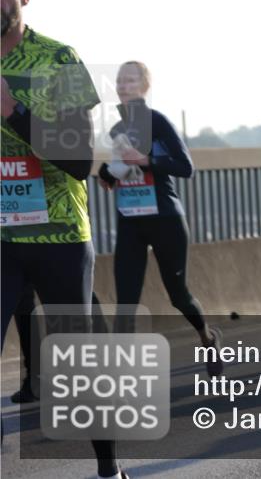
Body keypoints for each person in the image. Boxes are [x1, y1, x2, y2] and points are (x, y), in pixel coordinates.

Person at [1, 0, 128, 477]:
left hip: (59, 237)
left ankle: (109, 469)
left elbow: (78, 161)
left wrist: (13, 110)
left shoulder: (59, 59)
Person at [96, 61, 223, 376]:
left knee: (178, 296)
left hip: (165, 218)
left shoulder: (158, 122)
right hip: (130, 220)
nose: (123, 85)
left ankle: (207, 337)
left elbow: (185, 167)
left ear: (144, 86)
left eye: (130, 80)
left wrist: (147, 160)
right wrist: (107, 175)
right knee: (126, 300)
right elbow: (121, 168)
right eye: (120, 80)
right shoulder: (117, 130)